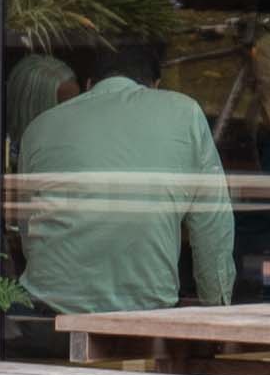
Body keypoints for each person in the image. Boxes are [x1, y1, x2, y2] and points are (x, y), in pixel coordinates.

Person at [13, 22, 234, 312]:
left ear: (90, 84)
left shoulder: (40, 127)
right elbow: (212, 225)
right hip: (144, 315)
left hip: (47, 313)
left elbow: (29, 229)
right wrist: (215, 309)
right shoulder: (185, 113)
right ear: (155, 85)